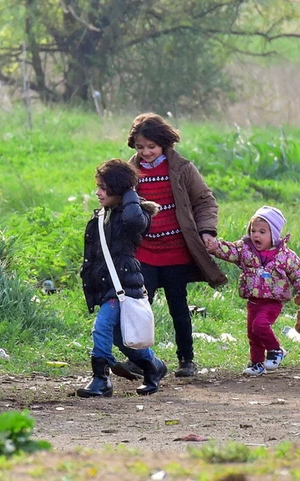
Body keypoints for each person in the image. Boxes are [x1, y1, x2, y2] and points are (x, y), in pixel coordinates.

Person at [113, 113, 228, 382]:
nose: (146, 152)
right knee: (140, 305)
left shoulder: (183, 169)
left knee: (179, 305)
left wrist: (207, 231)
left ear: (164, 144)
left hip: (176, 250)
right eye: (140, 147)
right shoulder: (129, 173)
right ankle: (139, 360)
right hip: (143, 251)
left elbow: (205, 201)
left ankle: (186, 359)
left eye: (151, 147)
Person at [77, 159, 166, 398]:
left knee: (102, 327)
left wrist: (130, 193)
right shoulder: (105, 215)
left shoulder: (135, 216)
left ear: (118, 189)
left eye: (104, 187)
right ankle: (152, 366)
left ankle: (100, 379)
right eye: (98, 186)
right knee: (121, 338)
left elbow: (134, 221)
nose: (98, 192)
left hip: (123, 285)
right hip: (108, 284)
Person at [205, 206, 300, 376]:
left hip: (272, 301)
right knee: (253, 334)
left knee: (260, 325)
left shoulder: (285, 255)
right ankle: (257, 363)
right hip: (253, 301)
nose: (256, 235)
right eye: (253, 230)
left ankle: (276, 350)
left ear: (274, 235)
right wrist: (215, 247)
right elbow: (230, 251)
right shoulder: (245, 249)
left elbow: (297, 272)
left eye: (262, 232)